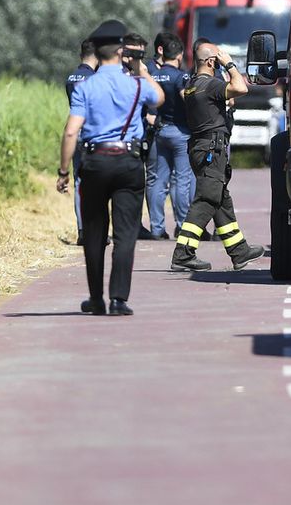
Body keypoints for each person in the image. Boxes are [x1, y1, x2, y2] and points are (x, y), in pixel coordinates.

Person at [58, 20, 163, 315]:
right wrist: (140, 67)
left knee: (94, 232)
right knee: (126, 232)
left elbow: (70, 132)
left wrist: (64, 171)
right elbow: (161, 97)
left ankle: (95, 298)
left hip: (94, 162)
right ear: (121, 50)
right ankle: (118, 299)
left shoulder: (85, 86)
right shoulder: (137, 83)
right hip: (129, 162)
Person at [170, 40, 266, 273]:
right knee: (207, 199)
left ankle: (238, 250)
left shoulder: (193, 85)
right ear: (212, 61)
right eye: (218, 58)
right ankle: (183, 253)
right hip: (212, 149)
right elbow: (241, 89)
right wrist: (230, 64)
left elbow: (227, 96)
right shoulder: (210, 84)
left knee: (221, 200)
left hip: (201, 148)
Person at [145, 31, 194, 240]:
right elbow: (189, 102)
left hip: (159, 130)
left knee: (157, 180)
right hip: (180, 132)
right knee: (181, 180)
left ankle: (157, 228)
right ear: (180, 56)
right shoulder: (181, 77)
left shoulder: (152, 76)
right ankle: (182, 225)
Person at [63, 39, 99, 241]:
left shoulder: (71, 77)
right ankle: (96, 230)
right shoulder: (94, 79)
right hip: (91, 134)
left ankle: (82, 230)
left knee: (79, 182)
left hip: (75, 131)